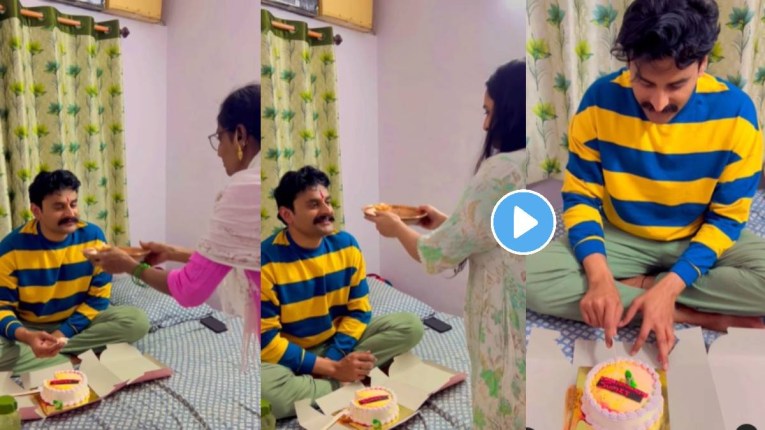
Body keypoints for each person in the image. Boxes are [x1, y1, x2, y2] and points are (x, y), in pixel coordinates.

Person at [527, 0, 765, 371]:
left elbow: (727, 219)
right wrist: (599, 277)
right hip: (622, 233)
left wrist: (670, 284)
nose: (658, 102)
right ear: (630, 63)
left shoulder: (737, 114)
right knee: (525, 277)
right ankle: (692, 313)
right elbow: (581, 196)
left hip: (696, 234)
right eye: (645, 82)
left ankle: (650, 290)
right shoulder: (599, 101)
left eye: (676, 85)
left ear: (703, 64)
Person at [364, 60, 527, 429]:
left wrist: (396, 228)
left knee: (501, 399)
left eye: (488, 112)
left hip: (503, 313)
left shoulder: (499, 170)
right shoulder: (527, 164)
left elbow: (436, 255)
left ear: (510, 111)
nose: (485, 124)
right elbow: (494, 230)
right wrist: (445, 221)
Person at [88, 83, 260, 366]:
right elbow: (239, 256)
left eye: (220, 138)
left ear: (240, 135)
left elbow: (190, 290)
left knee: (134, 320)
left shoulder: (242, 189)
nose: (219, 152)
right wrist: (172, 253)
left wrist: (130, 266)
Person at [261, 166, 424, 420]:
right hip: (289, 354)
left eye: (327, 201)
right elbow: (267, 340)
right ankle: (345, 382)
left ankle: (330, 381)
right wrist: (334, 370)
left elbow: (359, 312)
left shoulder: (347, 246)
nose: (327, 210)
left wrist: (335, 358)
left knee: (410, 326)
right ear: (287, 214)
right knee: (267, 393)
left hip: (336, 343)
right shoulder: (266, 259)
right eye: (314, 204)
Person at [0, 170, 150, 374]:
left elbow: (98, 299)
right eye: (59, 207)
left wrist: (60, 335)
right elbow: (2, 308)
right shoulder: (10, 248)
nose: (70, 214)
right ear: (36, 211)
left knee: (137, 321)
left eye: (73, 204)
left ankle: (53, 356)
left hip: (78, 322)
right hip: (29, 327)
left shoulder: (93, 237)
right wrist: (27, 337)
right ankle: (67, 357)